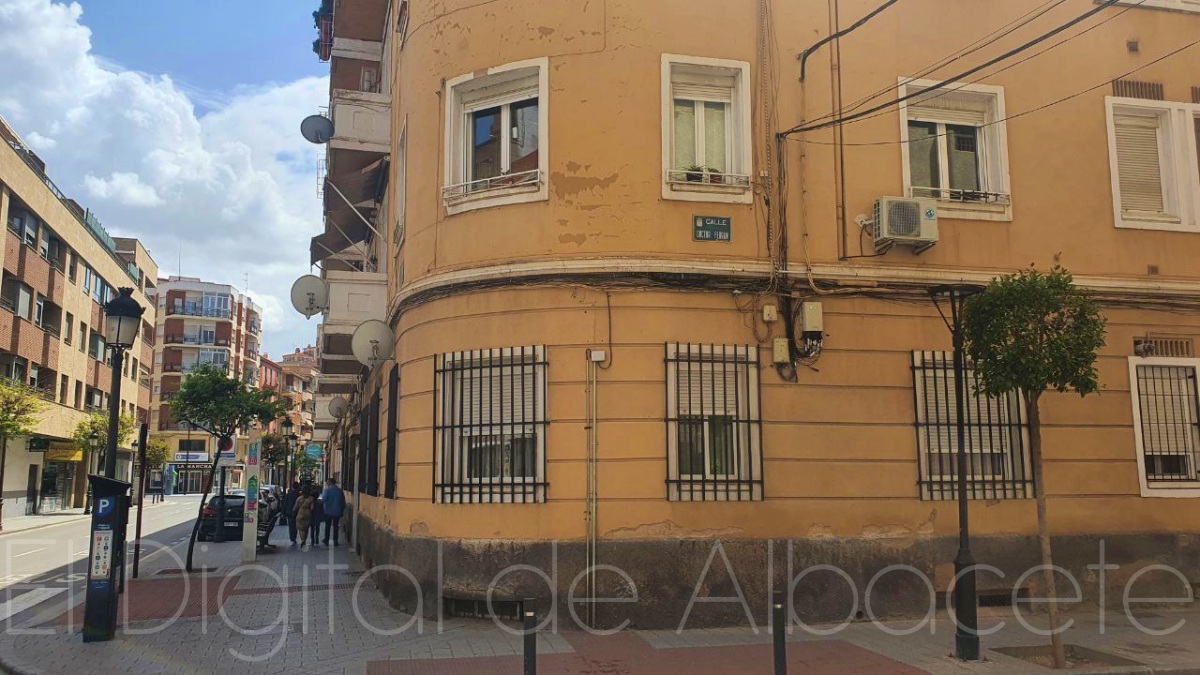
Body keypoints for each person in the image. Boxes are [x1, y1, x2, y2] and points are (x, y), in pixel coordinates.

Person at [320, 478, 345, 546]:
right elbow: (343, 502)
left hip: (328, 511)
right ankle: (335, 540)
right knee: (336, 526)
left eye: (327, 482)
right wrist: (341, 510)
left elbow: (323, 500)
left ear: (330, 483)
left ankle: (326, 540)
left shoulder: (327, 491)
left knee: (327, 526)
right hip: (337, 511)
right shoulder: (340, 491)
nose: (326, 483)